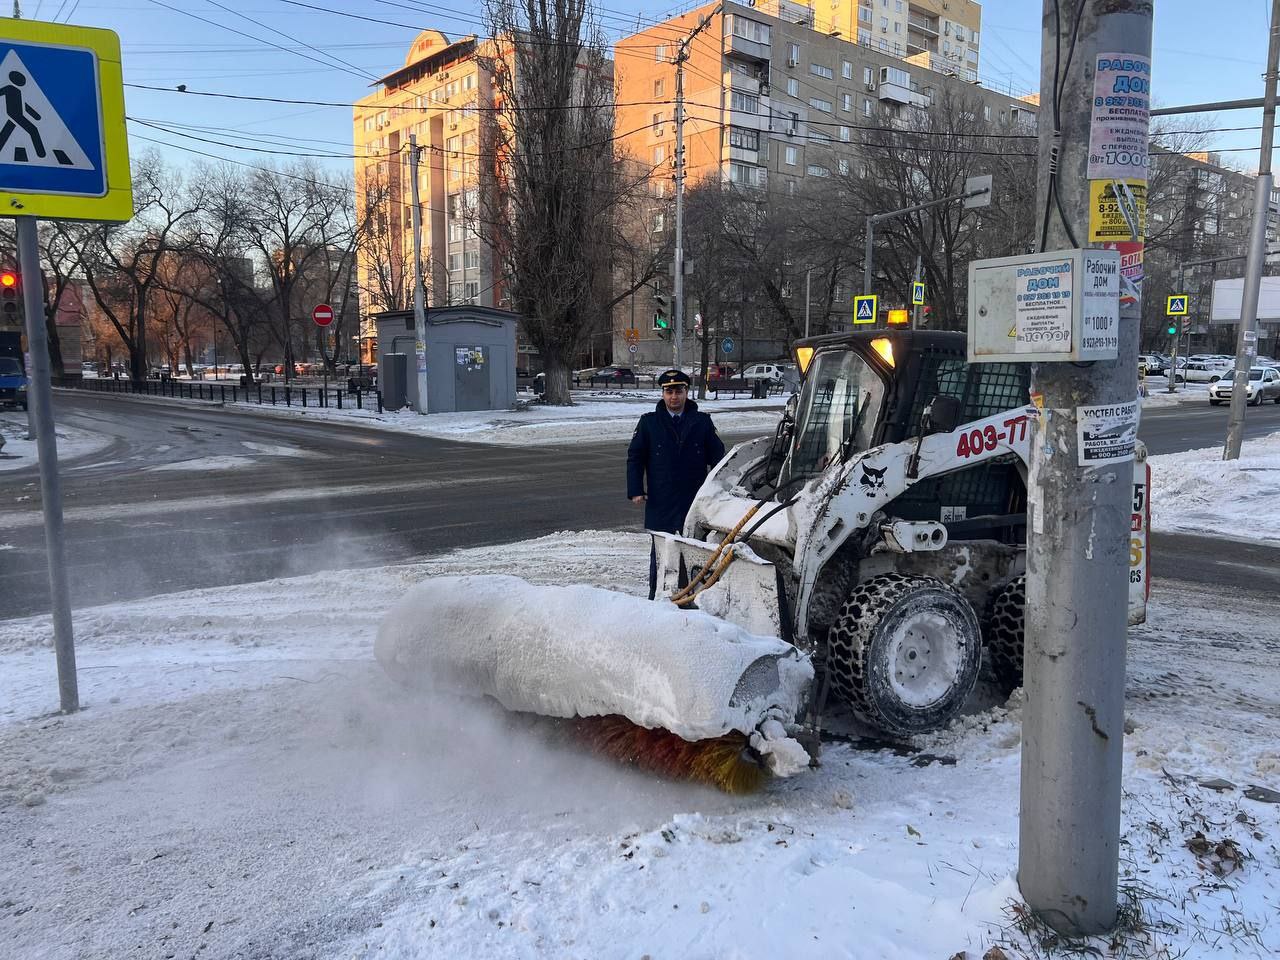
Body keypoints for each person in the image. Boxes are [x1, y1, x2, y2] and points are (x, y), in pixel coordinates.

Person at [627, 368, 726, 599]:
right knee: (662, 553)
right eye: (669, 392)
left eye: (679, 391)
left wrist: (719, 490)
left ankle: (696, 596)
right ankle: (656, 595)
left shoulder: (702, 422)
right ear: (663, 394)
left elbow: (718, 459)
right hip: (662, 500)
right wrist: (636, 490)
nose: (674, 397)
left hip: (694, 500)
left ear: (686, 392)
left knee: (696, 551)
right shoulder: (649, 423)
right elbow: (635, 457)